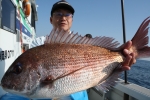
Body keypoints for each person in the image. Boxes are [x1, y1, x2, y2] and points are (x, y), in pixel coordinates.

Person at [31, 0, 136, 100]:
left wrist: (120, 63)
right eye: (58, 14)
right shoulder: (38, 44)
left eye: (67, 14)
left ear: (72, 20)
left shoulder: (82, 44)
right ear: (51, 19)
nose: (63, 18)